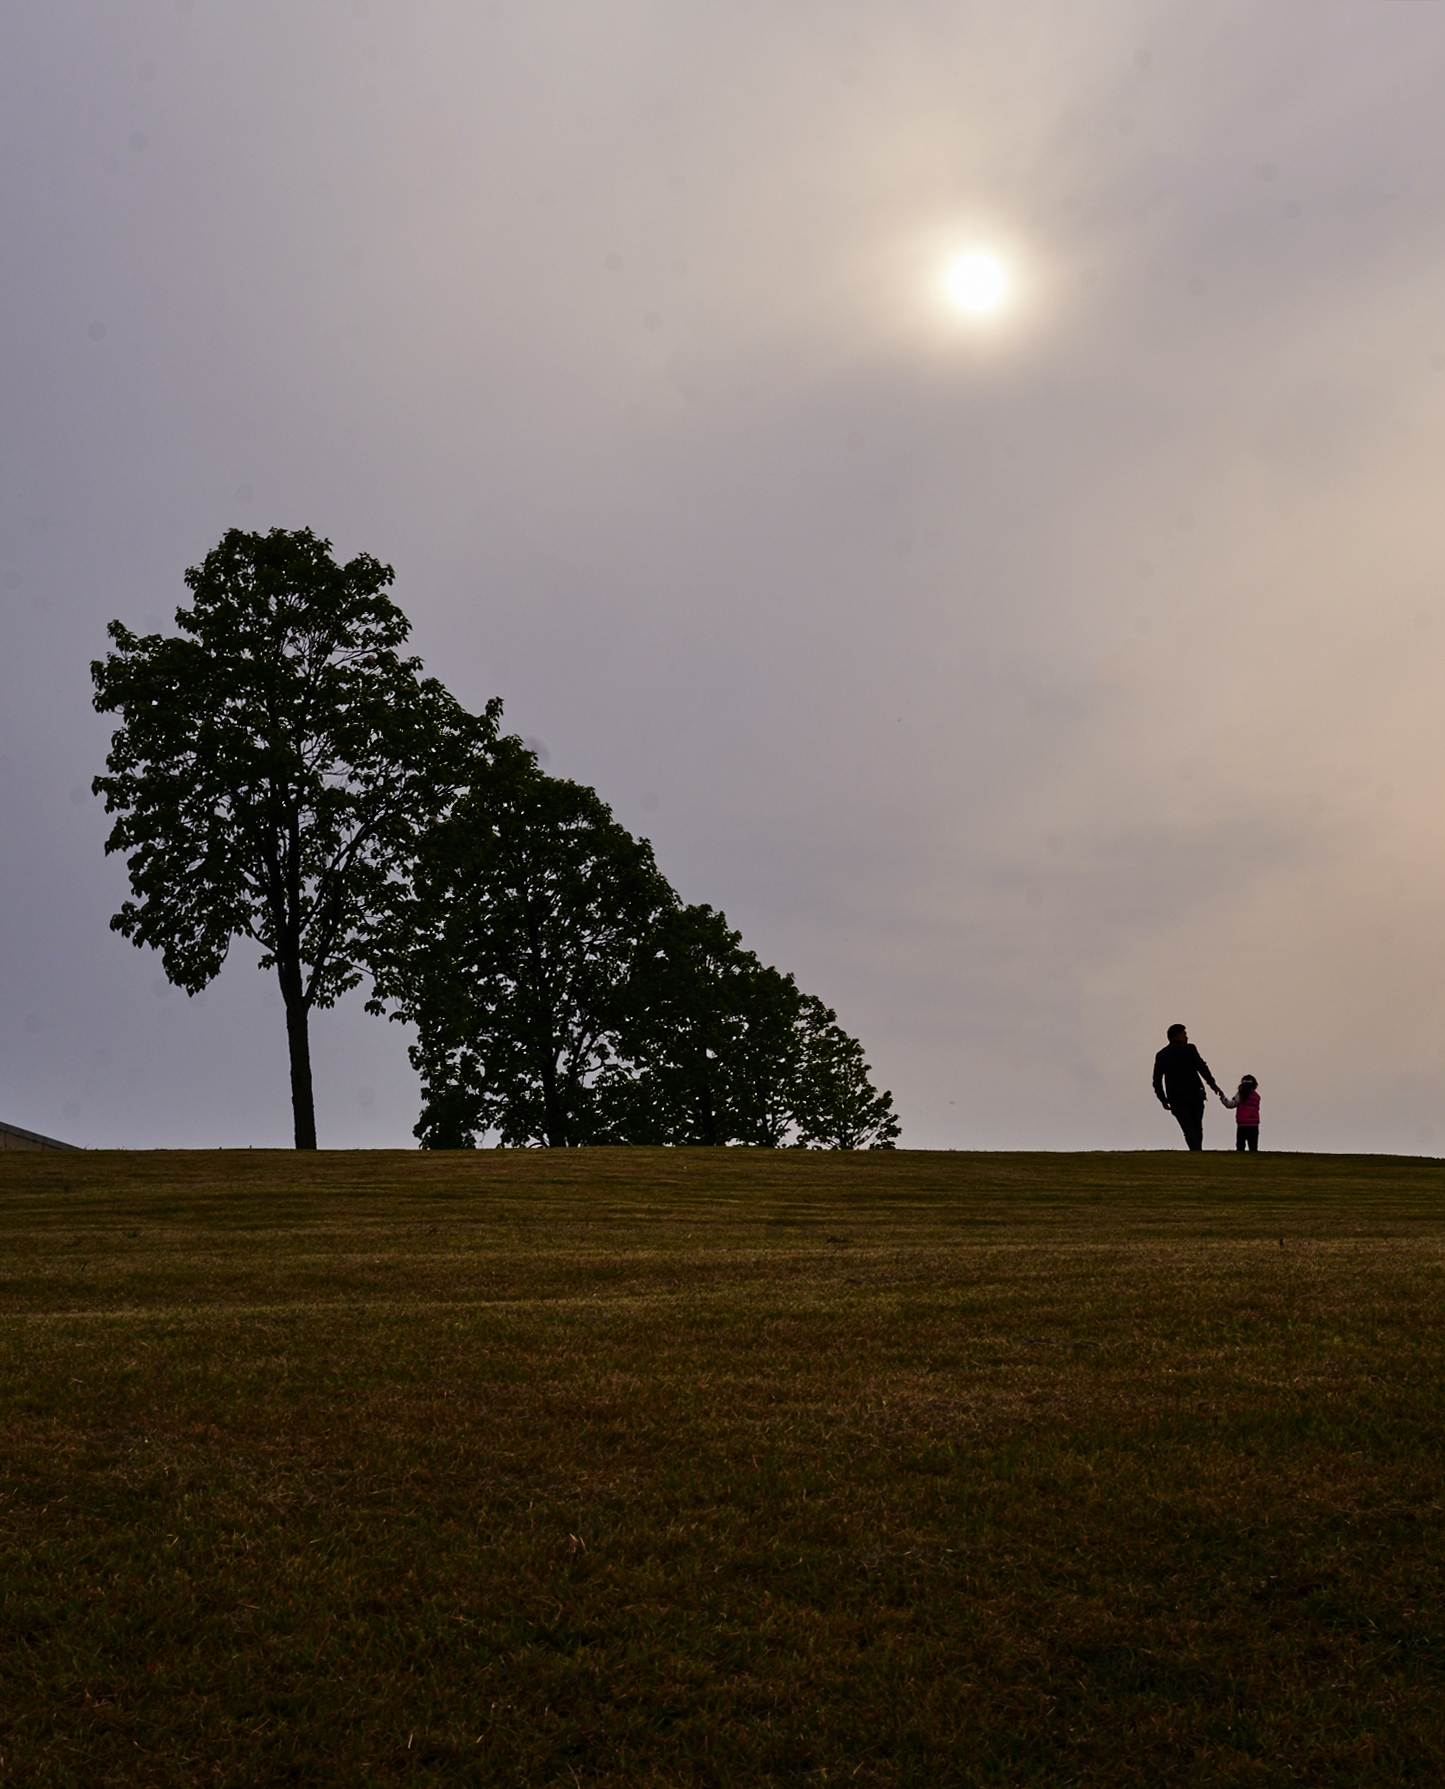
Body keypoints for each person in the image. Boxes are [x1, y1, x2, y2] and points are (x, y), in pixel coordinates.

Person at [1152, 1023, 1223, 1150]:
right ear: (1177, 1035)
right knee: (1197, 1125)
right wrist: (1213, 1085)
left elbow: (1157, 1080)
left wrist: (1162, 1098)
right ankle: (1197, 1151)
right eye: (1184, 1034)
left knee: (1187, 1127)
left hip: (1176, 1096)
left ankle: (1195, 1151)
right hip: (1195, 1092)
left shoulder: (1162, 1055)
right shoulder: (1190, 1049)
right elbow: (1202, 1067)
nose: (1187, 1037)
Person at [1221, 1074, 1261, 1152]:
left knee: (1240, 1147)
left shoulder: (1240, 1095)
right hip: (1254, 1125)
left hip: (1242, 1124)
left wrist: (1223, 1097)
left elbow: (1231, 1104)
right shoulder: (1257, 1096)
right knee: (1253, 1148)